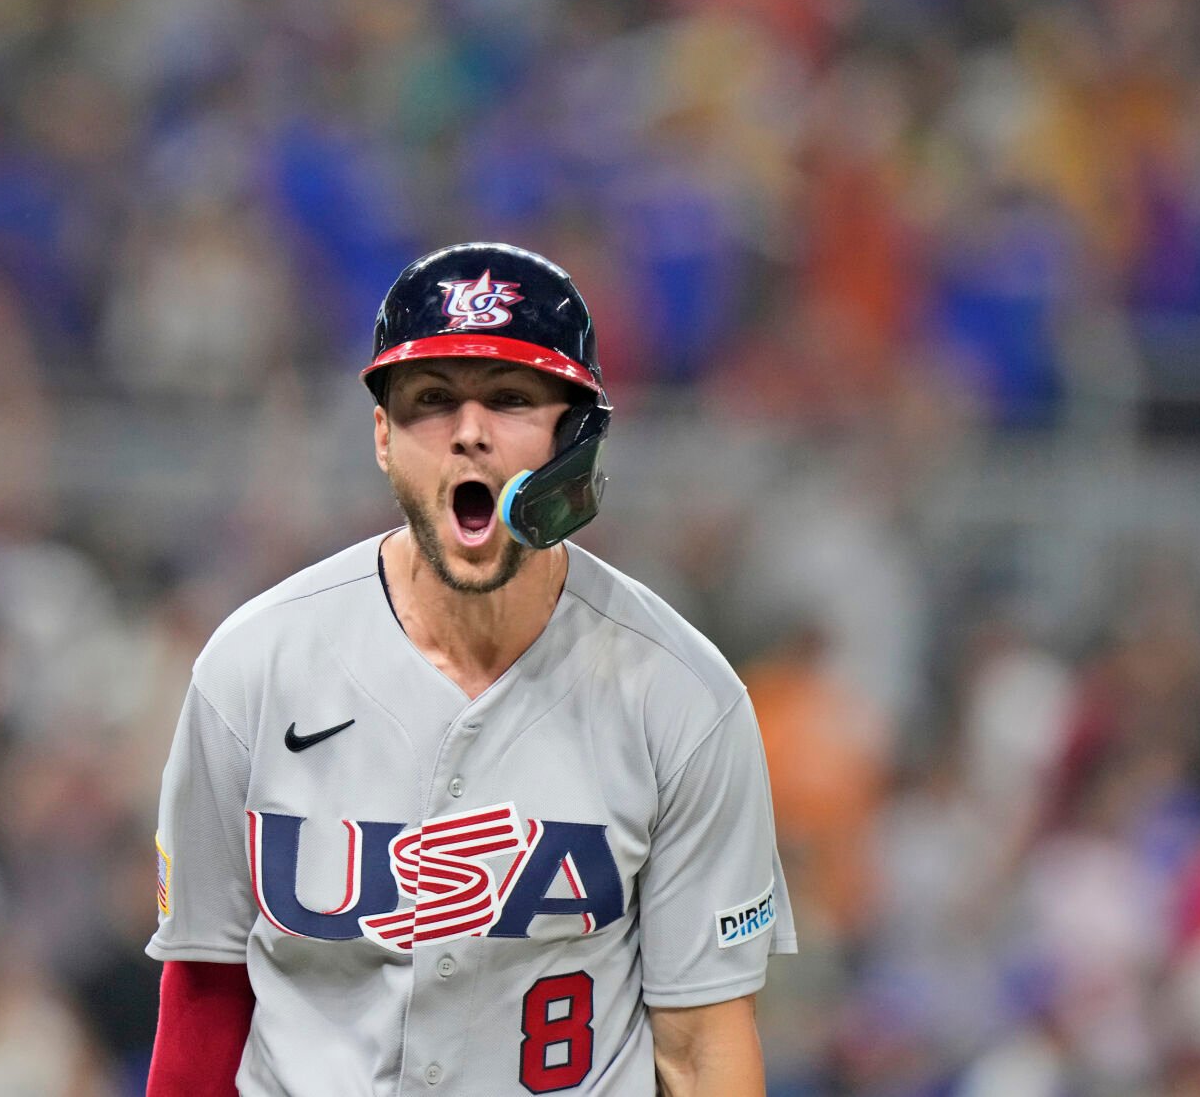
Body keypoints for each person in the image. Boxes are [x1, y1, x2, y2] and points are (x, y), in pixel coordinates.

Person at [146, 242, 796, 1095]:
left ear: (576, 436)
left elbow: (701, 1045)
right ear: (382, 435)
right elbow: (204, 990)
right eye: (430, 400)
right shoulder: (254, 668)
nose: (469, 431)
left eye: (513, 398)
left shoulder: (681, 698)